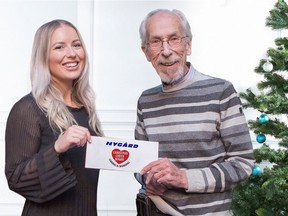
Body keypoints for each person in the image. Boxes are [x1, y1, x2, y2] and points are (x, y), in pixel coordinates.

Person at [134, 9, 255, 216]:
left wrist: (184, 178)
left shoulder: (221, 92)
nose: (165, 51)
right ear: (146, 52)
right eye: (156, 42)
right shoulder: (146, 101)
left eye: (174, 39)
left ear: (188, 45)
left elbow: (242, 164)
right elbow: (139, 164)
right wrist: (149, 179)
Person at [5, 19, 103, 216]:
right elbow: (16, 179)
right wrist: (57, 147)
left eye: (77, 45)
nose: (72, 54)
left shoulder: (86, 108)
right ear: (43, 57)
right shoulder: (28, 109)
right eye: (59, 47)